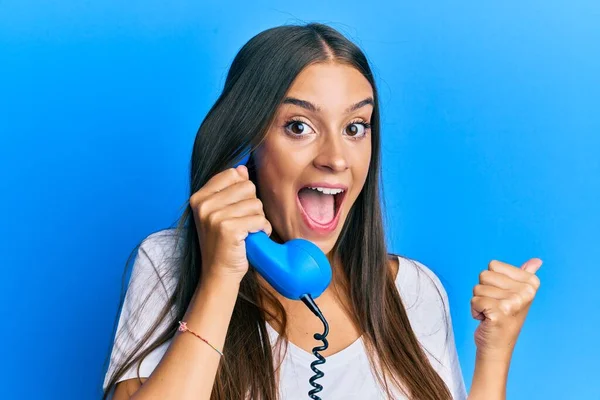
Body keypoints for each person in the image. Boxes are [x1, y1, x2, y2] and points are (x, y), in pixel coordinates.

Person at [102, 22, 542, 400]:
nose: (336, 157)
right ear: (248, 147)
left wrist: (495, 352)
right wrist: (219, 277)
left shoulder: (415, 292)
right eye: (299, 127)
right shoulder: (167, 264)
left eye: (355, 128)